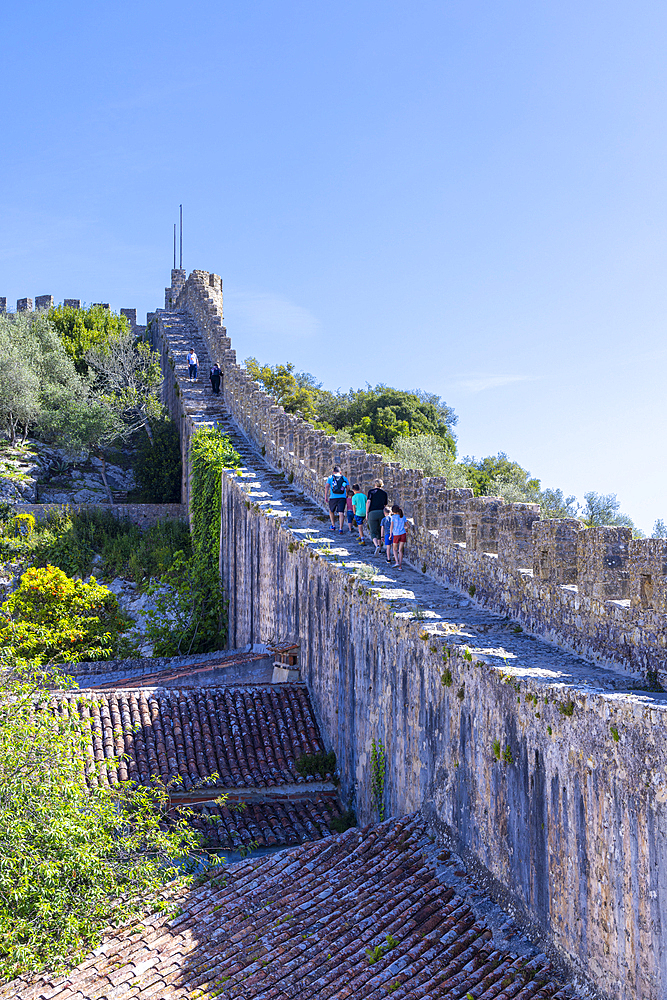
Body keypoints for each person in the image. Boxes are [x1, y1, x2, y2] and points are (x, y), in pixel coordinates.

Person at [366, 479, 389, 556]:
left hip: (372, 512)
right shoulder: (384, 493)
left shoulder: (371, 492)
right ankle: (380, 549)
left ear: (375, 484)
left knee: (373, 531)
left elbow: (368, 502)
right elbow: (385, 505)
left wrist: (367, 513)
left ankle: (377, 546)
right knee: (379, 530)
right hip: (381, 512)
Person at [325, 466, 349, 533]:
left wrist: (326, 496)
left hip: (333, 497)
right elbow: (348, 487)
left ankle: (333, 525)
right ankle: (341, 528)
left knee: (331, 511)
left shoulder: (330, 477)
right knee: (341, 512)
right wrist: (346, 494)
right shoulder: (344, 478)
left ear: (333, 472)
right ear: (340, 472)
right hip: (342, 497)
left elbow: (327, 487)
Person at [391, 504, 407, 569]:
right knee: (400, 550)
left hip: (396, 534)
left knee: (394, 549)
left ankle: (397, 562)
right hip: (403, 534)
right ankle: (400, 566)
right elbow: (407, 526)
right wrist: (404, 528)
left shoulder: (393, 517)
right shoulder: (403, 517)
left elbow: (391, 526)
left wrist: (390, 535)